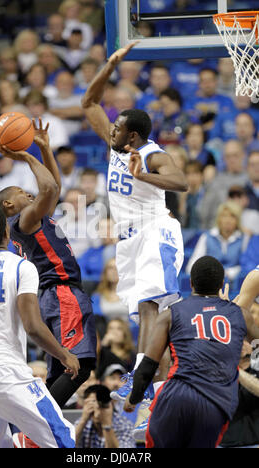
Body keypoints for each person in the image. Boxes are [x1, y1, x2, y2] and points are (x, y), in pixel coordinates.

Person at [81, 41, 188, 422]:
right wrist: (109, 64)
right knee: (144, 314)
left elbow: (182, 181)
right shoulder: (116, 147)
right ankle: (146, 389)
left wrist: (147, 176)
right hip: (129, 238)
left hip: (155, 230)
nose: (111, 129)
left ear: (134, 137)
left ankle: (141, 382)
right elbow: (89, 103)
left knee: (153, 309)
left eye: (119, 128)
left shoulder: (152, 153)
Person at [0, 119, 97, 427]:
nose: (30, 192)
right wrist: (25, 155)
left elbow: (55, 187)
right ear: (10, 203)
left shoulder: (30, 219)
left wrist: (44, 148)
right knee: (78, 366)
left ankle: (35, 426)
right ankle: (35, 426)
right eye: (22, 191)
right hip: (61, 293)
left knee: (69, 369)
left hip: (54, 297)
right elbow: (49, 187)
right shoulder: (24, 219)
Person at [0, 205, 79, 448]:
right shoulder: (21, 266)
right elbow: (33, 326)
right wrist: (64, 354)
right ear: (7, 231)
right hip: (5, 371)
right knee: (62, 438)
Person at [123, 256, 259, 448]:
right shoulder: (239, 314)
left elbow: (148, 365)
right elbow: (258, 345)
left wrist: (134, 397)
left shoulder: (171, 313)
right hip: (215, 404)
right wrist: (230, 310)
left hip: (177, 395)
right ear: (221, 284)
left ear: (192, 283)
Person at [186, 200, 249, 287]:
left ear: (237, 220)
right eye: (224, 216)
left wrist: (229, 273)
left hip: (234, 286)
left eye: (232, 216)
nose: (228, 220)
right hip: (208, 285)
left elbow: (247, 266)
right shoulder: (207, 236)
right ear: (218, 218)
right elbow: (191, 266)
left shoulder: (244, 238)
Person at [75, 384, 136, 448]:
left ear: (111, 404)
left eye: (101, 404)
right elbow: (67, 445)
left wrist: (106, 424)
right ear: (85, 403)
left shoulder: (124, 425)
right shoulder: (82, 423)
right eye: (93, 401)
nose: (97, 407)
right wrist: (83, 420)